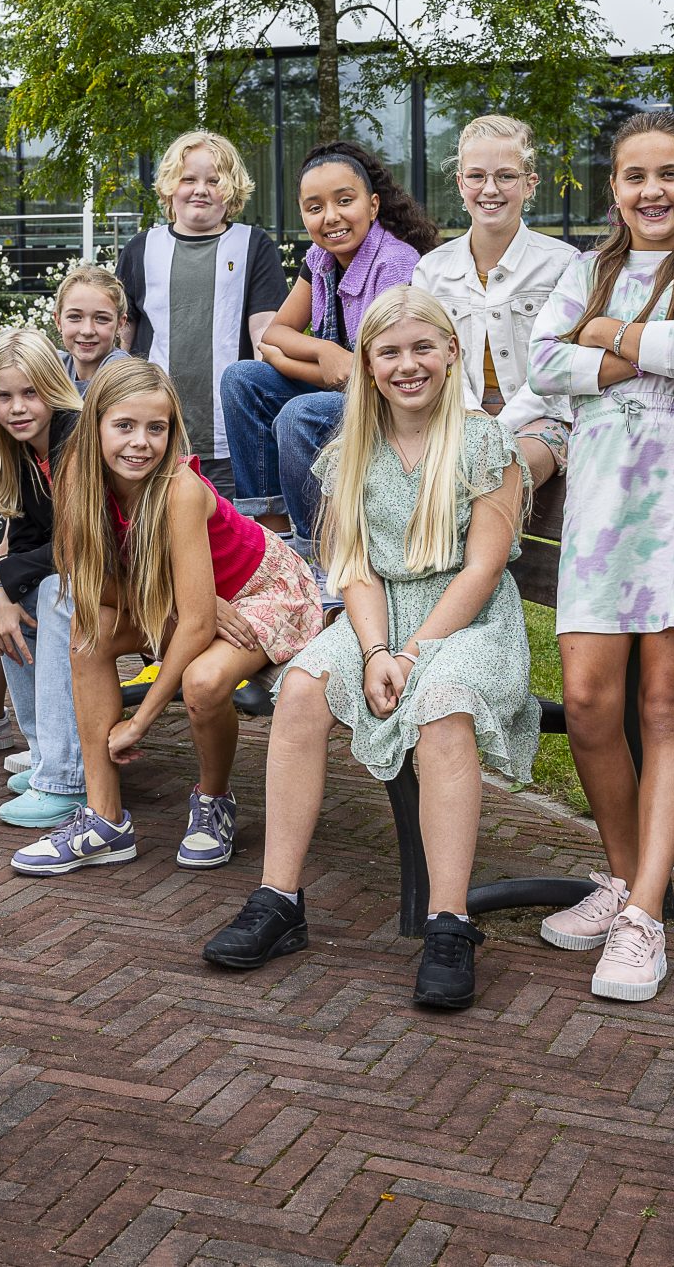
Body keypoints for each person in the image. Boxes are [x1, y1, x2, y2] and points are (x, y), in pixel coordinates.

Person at [201, 286, 534, 1010]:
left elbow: (481, 568)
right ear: (368, 364)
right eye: (390, 351)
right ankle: (278, 898)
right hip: (376, 615)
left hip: (469, 622)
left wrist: (410, 654)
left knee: (443, 708)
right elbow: (352, 566)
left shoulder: (484, 442)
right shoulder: (351, 448)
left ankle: (450, 922)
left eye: (423, 347)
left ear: (451, 352)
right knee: (299, 688)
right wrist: (377, 647)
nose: (408, 364)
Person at [527, 111, 674, 1003]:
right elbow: (541, 362)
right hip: (604, 502)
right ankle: (625, 880)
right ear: (612, 186)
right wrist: (637, 336)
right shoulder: (583, 270)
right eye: (633, 176)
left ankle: (646, 914)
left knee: (664, 703)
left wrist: (603, 333)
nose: (651, 190)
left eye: (669, 174)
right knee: (586, 702)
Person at [11, 358, 322, 876]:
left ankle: (213, 799)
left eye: (156, 428)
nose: (140, 443)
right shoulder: (76, 481)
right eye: (124, 426)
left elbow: (199, 626)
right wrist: (176, 601)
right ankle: (104, 820)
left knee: (202, 682)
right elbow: (99, 585)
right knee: (89, 635)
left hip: (262, 589)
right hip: (183, 599)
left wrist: (140, 721)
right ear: (96, 428)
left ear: (172, 433)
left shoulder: (178, 489)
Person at [219, 140, 437, 555]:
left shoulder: (395, 263)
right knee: (241, 378)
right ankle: (270, 529)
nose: (331, 217)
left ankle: (317, 553)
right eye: (315, 207)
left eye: (344, 201)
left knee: (298, 415)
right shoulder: (320, 259)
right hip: (342, 389)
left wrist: (309, 359)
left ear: (373, 206)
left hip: (391, 403)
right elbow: (274, 336)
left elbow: (376, 376)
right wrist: (326, 354)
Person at [0, 328, 93, 827]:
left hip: (131, 569)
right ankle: (45, 754)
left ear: (53, 388)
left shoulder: (76, 437)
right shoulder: (19, 451)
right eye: (3, 396)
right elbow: (33, 538)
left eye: (30, 393)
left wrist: (1, 582)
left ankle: (67, 776)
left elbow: (79, 545)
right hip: (84, 567)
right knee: (20, 591)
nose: (16, 407)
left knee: (51, 592)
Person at [411, 114, 580, 487]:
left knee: (500, 472)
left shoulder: (564, 264)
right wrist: (473, 420)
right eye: (476, 176)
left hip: (543, 420)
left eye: (505, 176)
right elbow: (432, 357)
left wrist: (498, 429)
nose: (490, 189)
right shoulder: (431, 271)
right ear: (460, 183)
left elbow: (557, 365)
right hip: (456, 415)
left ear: (530, 183)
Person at [116, 131, 287, 465]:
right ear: (169, 186)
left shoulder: (254, 246)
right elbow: (121, 343)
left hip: (231, 437)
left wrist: (264, 418)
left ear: (232, 188)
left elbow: (264, 338)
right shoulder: (140, 248)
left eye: (214, 180)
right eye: (188, 179)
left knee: (228, 517)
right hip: (152, 437)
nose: (200, 190)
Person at [53, 263, 128, 391]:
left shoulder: (122, 373)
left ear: (120, 324)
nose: (87, 331)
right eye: (75, 317)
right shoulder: (56, 366)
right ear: (58, 321)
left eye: (102, 319)